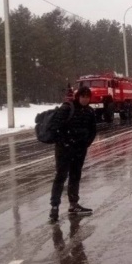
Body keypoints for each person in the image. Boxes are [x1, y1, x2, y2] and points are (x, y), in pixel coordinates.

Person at [49, 86, 97, 221]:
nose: (85, 99)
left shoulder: (89, 111)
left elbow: (93, 130)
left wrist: (86, 143)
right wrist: (65, 143)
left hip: (80, 150)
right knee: (60, 176)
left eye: (87, 97)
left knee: (75, 176)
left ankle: (73, 204)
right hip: (64, 150)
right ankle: (54, 207)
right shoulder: (67, 108)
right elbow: (55, 128)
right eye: (83, 96)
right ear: (78, 96)